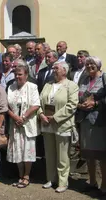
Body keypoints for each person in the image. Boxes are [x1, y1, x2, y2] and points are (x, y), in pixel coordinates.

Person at [38, 61, 78, 193]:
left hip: (62, 125)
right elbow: (38, 102)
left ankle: (62, 182)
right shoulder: (48, 84)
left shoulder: (71, 86)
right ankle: (51, 179)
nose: (54, 70)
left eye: (56, 68)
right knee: (49, 154)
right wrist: (41, 114)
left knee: (62, 156)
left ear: (64, 71)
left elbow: (72, 105)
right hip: (47, 124)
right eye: (53, 68)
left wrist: (55, 117)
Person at [7, 60, 40, 188]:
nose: (17, 76)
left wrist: (23, 117)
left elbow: (36, 105)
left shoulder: (32, 87)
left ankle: (26, 176)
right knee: (17, 150)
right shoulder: (11, 87)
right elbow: (6, 106)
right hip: (15, 124)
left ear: (26, 75)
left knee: (27, 151)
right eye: (16, 74)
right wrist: (15, 117)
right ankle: (20, 175)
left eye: (20, 74)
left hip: (27, 124)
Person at [77, 56, 106, 197]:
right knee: (89, 154)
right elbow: (78, 96)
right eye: (87, 64)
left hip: (99, 121)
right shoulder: (84, 80)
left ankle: (104, 184)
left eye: (92, 64)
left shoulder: (104, 79)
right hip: (85, 120)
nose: (89, 66)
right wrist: (80, 104)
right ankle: (93, 182)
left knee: (101, 154)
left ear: (98, 65)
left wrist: (95, 104)